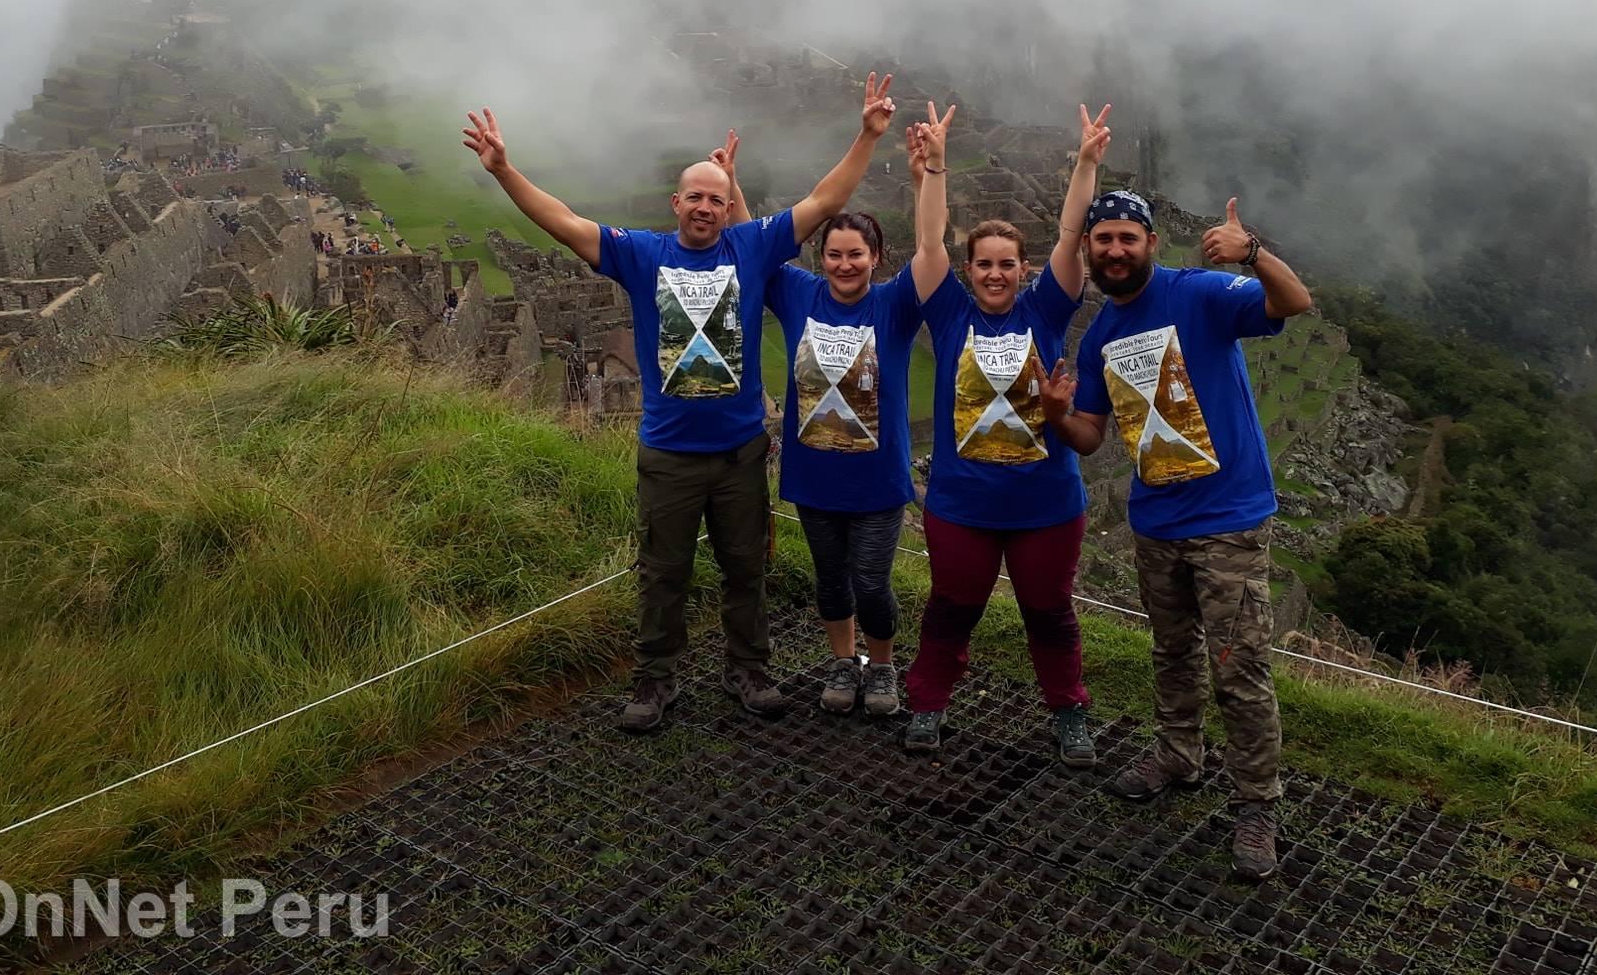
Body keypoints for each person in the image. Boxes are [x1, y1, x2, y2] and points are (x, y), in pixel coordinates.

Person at [462, 75, 896, 732]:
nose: (704, 207)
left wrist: (866, 135)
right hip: (669, 453)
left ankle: (749, 671)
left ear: (728, 206)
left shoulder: (750, 248)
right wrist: (504, 171)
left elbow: (826, 199)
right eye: (695, 196)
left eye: (715, 198)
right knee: (663, 573)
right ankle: (654, 681)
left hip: (741, 450)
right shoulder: (642, 254)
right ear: (677, 202)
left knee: (746, 569)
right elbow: (565, 224)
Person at [1040, 189, 1312, 882]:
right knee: (1172, 651)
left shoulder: (1203, 294)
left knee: (1239, 669)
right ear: (1091, 250)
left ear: (1151, 243)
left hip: (1227, 520)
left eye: (1128, 238)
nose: (1115, 251)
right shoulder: (1100, 335)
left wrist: (1252, 254)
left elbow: (1293, 302)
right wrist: (1053, 415)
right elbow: (1090, 434)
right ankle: (1178, 755)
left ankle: (1257, 805)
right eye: (1104, 241)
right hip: (1157, 519)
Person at [902, 103, 1112, 767]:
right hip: (963, 506)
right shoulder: (949, 314)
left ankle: (1069, 711)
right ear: (970, 270)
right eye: (984, 264)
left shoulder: (1048, 309)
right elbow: (929, 243)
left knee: (1049, 614)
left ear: (1024, 270)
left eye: (1007, 264)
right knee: (950, 609)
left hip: (1046, 507)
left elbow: (1072, 235)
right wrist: (935, 165)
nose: (995, 274)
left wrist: (1085, 163)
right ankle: (928, 704)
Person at [754, 103, 954, 719]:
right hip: (815, 476)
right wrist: (732, 187)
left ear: (876, 258)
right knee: (831, 578)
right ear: (822, 259)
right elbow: (753, 247)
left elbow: (932, 248)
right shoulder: (798, 294)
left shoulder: (895, 307)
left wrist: (930, 174)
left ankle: (883, 665)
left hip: (876, 480)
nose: (844, 264)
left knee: (871, 581)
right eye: (834, 254)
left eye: (856, 255)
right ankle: (843, 662)